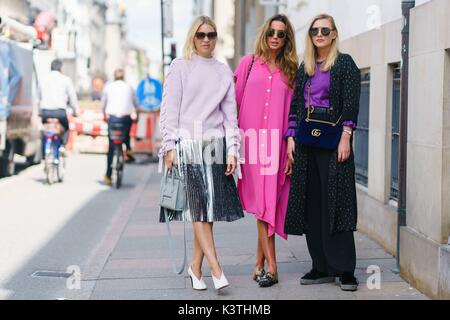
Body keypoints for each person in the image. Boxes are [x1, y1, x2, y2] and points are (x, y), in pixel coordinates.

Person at [159, 16, 244, 291]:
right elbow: (170, 110)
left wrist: (233, 150)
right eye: (201, 35)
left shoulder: (222, 71)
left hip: (214, 145)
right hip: (188, 145)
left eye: (211, 34)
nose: (206, 39)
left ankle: (196, 268)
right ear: (192, 37)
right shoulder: (180, 67)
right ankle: (216, 268)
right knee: (197, 207)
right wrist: (169, 146)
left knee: (207, 212)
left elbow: (230, 116)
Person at [284, 14, 361, 292]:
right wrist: (291, 138)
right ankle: (321, 266)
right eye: (315, 30)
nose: (319, 34)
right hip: (306, 142)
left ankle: (344, 269)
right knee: (313, 203)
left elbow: (351, 105)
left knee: (337, 202)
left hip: (334, 140)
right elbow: (295, 106)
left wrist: (346, 137)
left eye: (324, 30)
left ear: (334, 34)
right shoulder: (305, 67)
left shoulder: (344, 64)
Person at [234, 14, 298, 288]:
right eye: (271, 32)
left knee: (268, 205)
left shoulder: (291, 70)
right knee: (262, 205)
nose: (274, 37)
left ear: (286, 39)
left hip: (277, 146)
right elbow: (233, 106)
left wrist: (291, 144)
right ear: (264, 33)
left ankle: (259, 263)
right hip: (251, 145)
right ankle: (272, 268)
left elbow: (294, 113)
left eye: (281, 33)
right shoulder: (248, 65)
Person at [102, 69, 138, 186]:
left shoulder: (108, 87)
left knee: (111, 148)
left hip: (112, 119)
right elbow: (136, 103)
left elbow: (103, 104)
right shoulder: (129, 87)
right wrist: (137, 112)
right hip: (125, 119)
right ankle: (128, 149)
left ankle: (108, 176)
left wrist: (104, 115)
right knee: (126, 132)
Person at [39, 59, 79, 154]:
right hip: (59, 112)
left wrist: (38, 111)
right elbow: (72, 97)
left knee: (43, 128)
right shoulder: (66, 79)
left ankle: (44, 149)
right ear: (61, 68)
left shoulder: (43, 79)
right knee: (65, 127)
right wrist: (75, 110)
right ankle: (62, 145)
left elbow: (38, 97)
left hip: (45, 111)